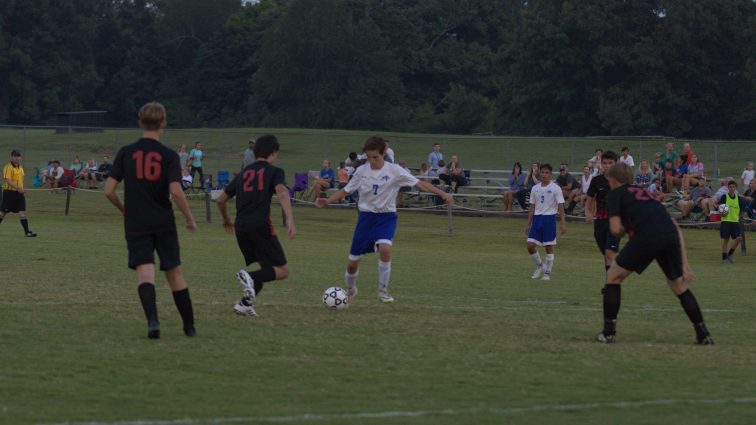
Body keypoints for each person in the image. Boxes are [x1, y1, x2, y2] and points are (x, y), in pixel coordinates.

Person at [316, 136, 453, 304]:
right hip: (365, 218)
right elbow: (345, 191)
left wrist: (443, 193)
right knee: (352, 263)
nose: (372, 161)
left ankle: (383, 290)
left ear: (384, 154)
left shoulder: (395, 170)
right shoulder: (361, 172)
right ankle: (351, 289)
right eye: (369, 157)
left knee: (385, 249)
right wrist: (328, 201)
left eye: (376, 157)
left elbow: (420, 184)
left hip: (386, 217)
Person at [103, 102, 197, 339]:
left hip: (136, 222)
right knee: (174, 272)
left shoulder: (126, 152)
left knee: (145, 272)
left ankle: (153, 322)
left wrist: (123, 208)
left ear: (140, 122)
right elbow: (176, 191)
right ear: (163, 123)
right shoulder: (168, 155)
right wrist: (189, 218)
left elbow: (108, 190)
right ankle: (189, 327)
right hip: (163, 220)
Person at [597, 162, 713, 345]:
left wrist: (624, 229)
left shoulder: (615, 194)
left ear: (612, 179)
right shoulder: (645, 193)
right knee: (678, 285)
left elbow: (615, 229)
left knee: (613, 276)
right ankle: (704, 334)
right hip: (669, 234)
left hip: (647, 236)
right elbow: (674, 226)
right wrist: (685, 263)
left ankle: (608, 333)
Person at [216, 135, 296, 317]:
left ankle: (244, 305)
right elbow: (282, 192)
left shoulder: (243, 173)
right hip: (260, 226)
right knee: (282, 270)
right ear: (274, 152)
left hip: (241, 227)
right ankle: (249, 277)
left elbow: (220, 200)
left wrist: (226, 219)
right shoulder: (275, 171)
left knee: (266, 267)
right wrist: (290, 219)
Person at [525, 163, 566, 281]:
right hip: (537, 219)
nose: (544, 175)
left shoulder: (555, 188)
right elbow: (532, 207)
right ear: (539, 173)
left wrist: (563, 223)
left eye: (547, 173)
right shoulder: (535, 188)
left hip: (549, 220)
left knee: (548, 247)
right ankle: (540, 266)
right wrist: (528, 224)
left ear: (550, 174)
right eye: (542, 172)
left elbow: (561, 206)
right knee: (530, 246)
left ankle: (547, 273)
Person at [586, 151, 619, 273]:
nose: (607, 166)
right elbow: (589, 198)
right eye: (604, 163)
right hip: (600, 221)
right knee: (606, 253)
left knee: (610, 253)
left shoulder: (621, 181)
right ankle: (612, 277)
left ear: (616, 164)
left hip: (616, 222)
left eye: (610, 163)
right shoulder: (596, 181)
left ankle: (610, 285)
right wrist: (588, 213)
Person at [0, 150, 37, 237]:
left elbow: (21, 181)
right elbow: (8, 180)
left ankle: (27, 232)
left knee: (23, 212)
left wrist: (22, 190)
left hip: (19, 194)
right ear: (11, 157)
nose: (17, 158)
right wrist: (18, 188)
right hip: (9, 193)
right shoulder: (8, 167)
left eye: (18, 156)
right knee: (2, 213)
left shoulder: (20, 168)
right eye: (15, 156)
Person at [718, 180, 742, 264]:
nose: (732, 188)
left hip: (735, 221)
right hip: (726, 221)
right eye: (730, 187)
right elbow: (721, 209)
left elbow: (741, 209)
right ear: (728, 188)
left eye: (733, 187)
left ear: (735, 188)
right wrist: (723, 213)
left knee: (739, 238)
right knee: (726, 240)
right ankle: (724, 259)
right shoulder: (724, 197)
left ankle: (730, 254)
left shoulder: (738, 198)